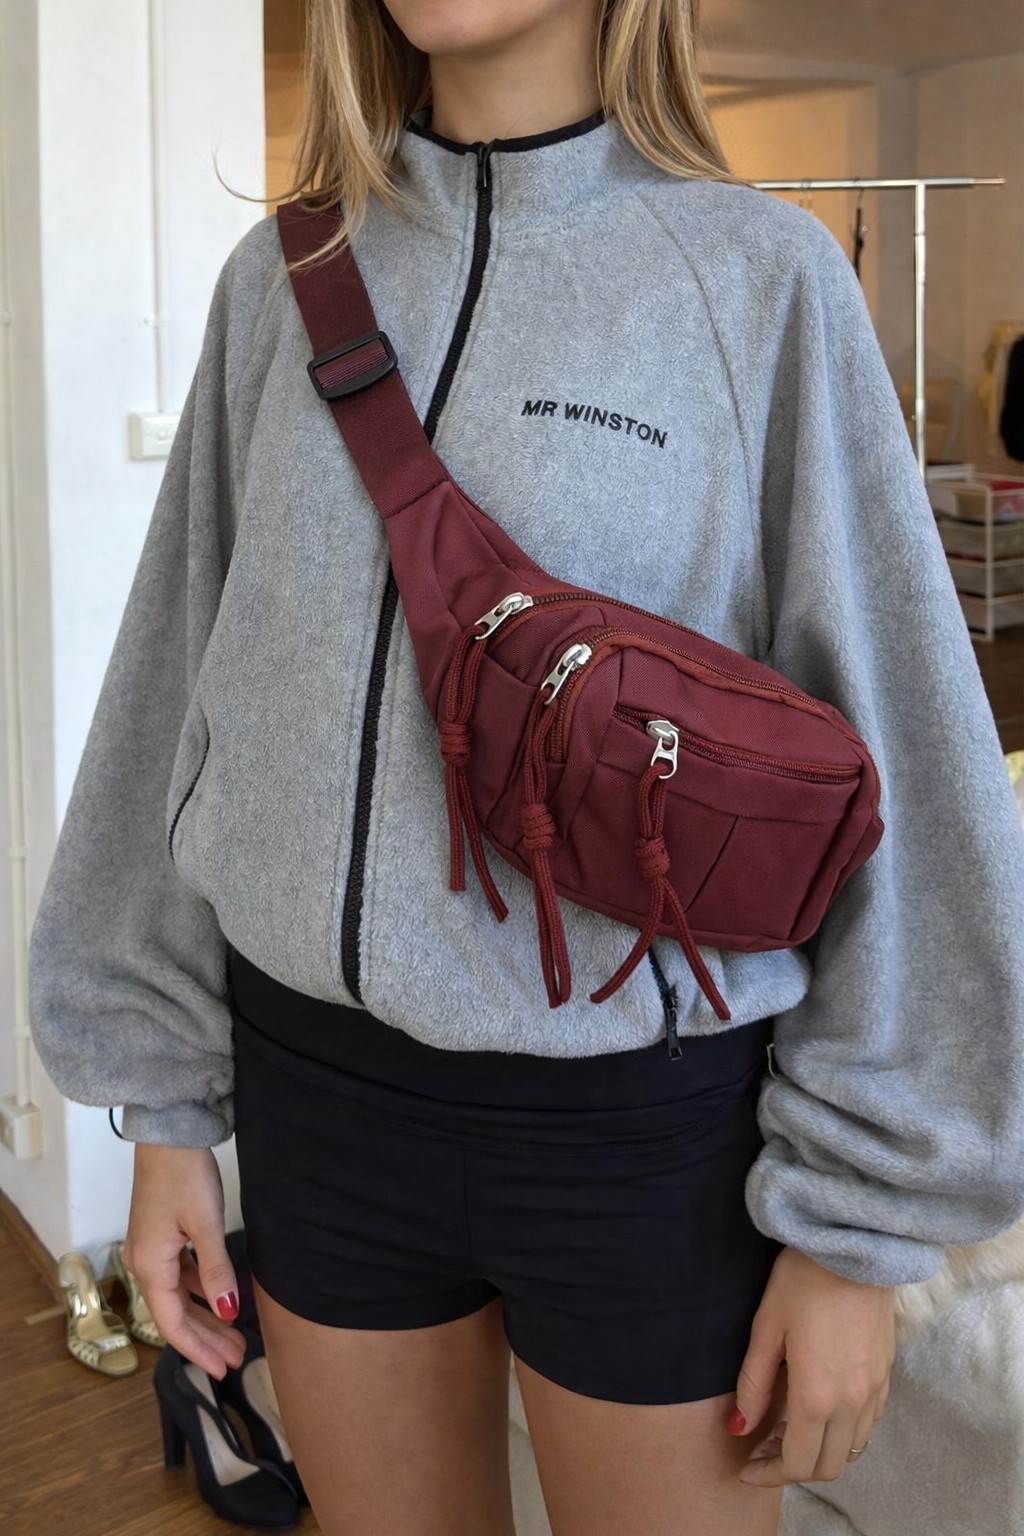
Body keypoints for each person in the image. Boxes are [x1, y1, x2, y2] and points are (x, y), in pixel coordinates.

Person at [27, 1, 1024, 1533]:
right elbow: (175, 704)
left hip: (644, 1138)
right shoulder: (277, 286)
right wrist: (165, 1116)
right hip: (318, 1110)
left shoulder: (760, 284)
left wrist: (857, 1238)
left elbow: (916, 769)